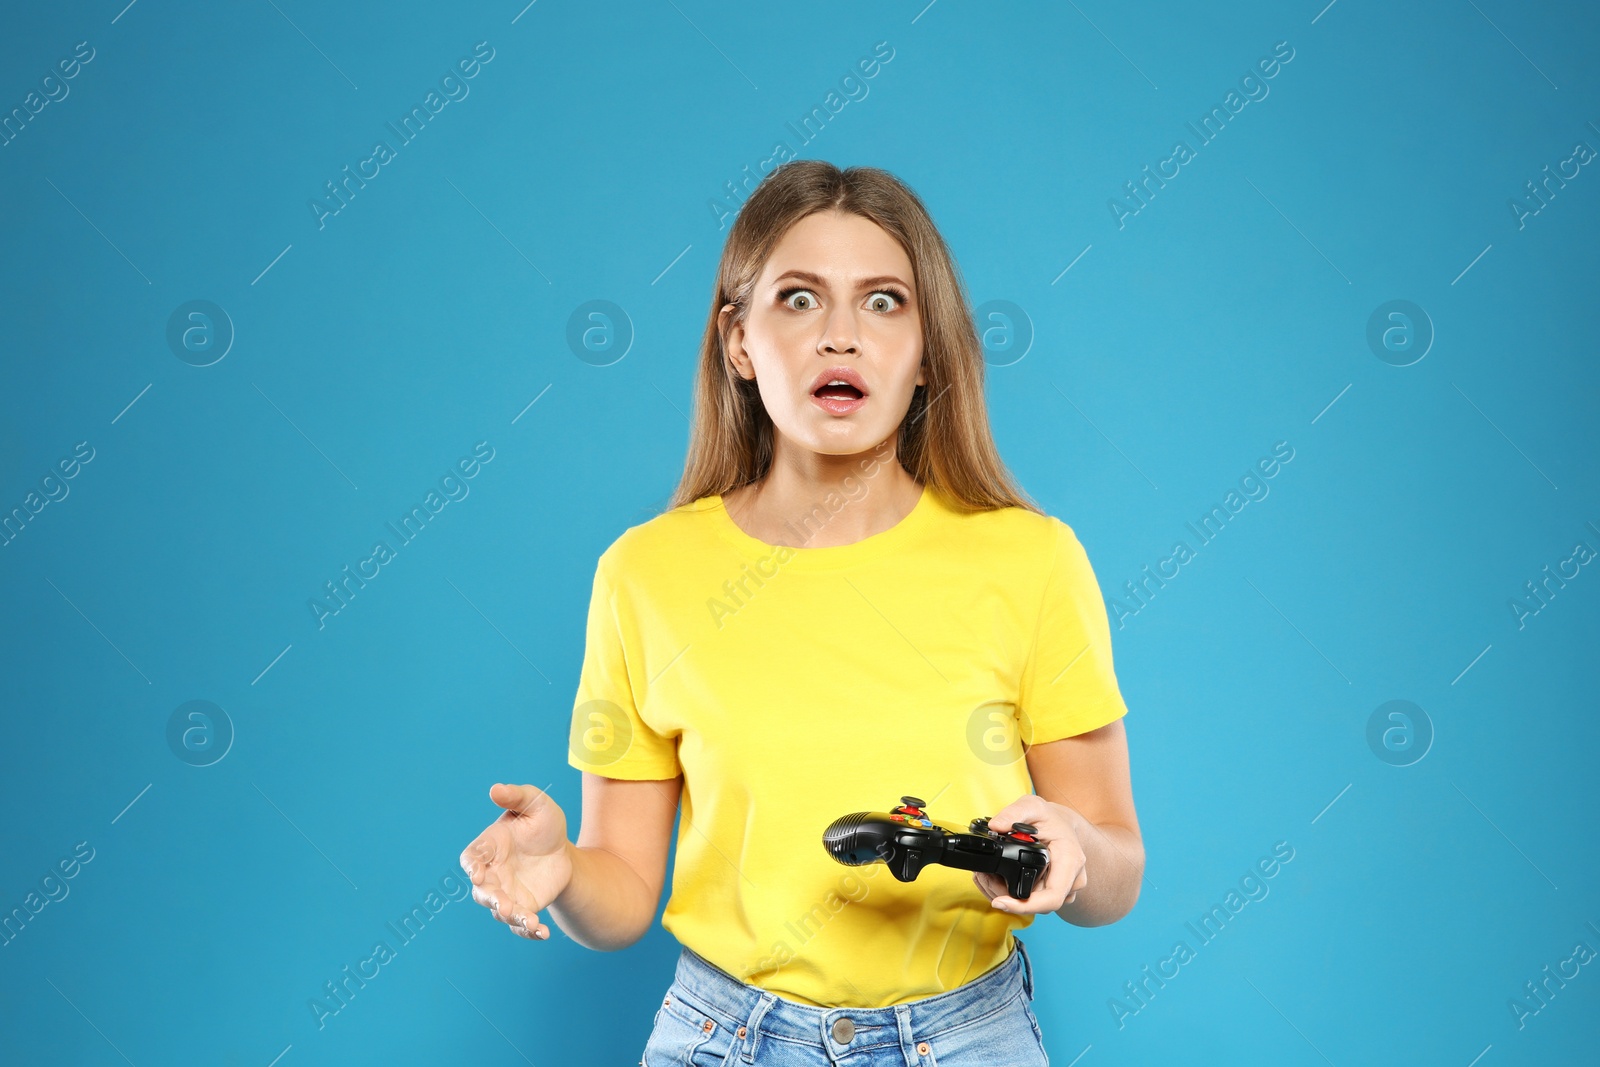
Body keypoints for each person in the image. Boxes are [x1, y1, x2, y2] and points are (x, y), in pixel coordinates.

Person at [459, 160, 1143, 1065]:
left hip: (966, 1037)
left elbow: (1118, 870)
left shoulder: (1032, 560)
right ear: (738, 342)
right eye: (798, 299)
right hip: (722, 1037)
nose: (841, 338)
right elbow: (622, 887)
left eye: (885, 302)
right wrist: (562, 873)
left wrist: (1077, 849)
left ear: (930, 349)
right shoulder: (645, 574)